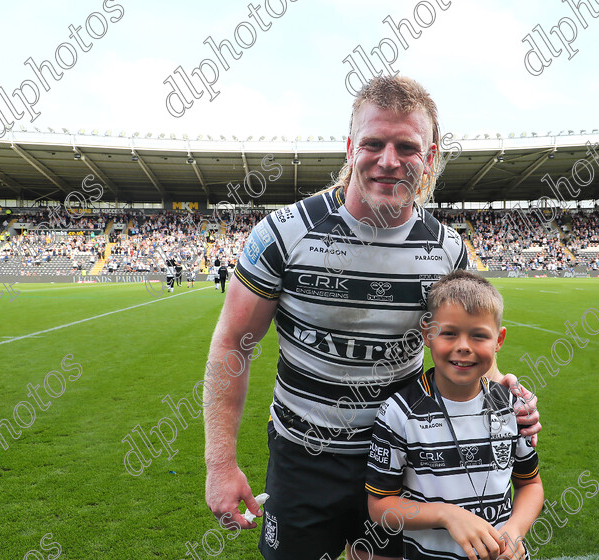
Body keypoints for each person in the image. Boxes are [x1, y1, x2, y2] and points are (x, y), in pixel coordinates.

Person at [203, 75, 541, 560]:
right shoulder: (284, 233)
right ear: (348, 148)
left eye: (407, 146)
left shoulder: (447, 250)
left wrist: (503, 390)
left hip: (402, 455)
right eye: (373, 143)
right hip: (303, 455)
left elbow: (464, 346)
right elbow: (233, 342)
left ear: (429, 157)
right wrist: (220, 463)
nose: (389, 160)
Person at [366, 271, 543, 560]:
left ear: (499, 340)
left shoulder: (510, 406)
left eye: (478, 335)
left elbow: (531, 484)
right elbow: (380, 507)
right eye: (449, 333)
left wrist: (515, 530)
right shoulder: (399, 413)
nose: (463, 346)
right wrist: (447, 515)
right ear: (428, 335)